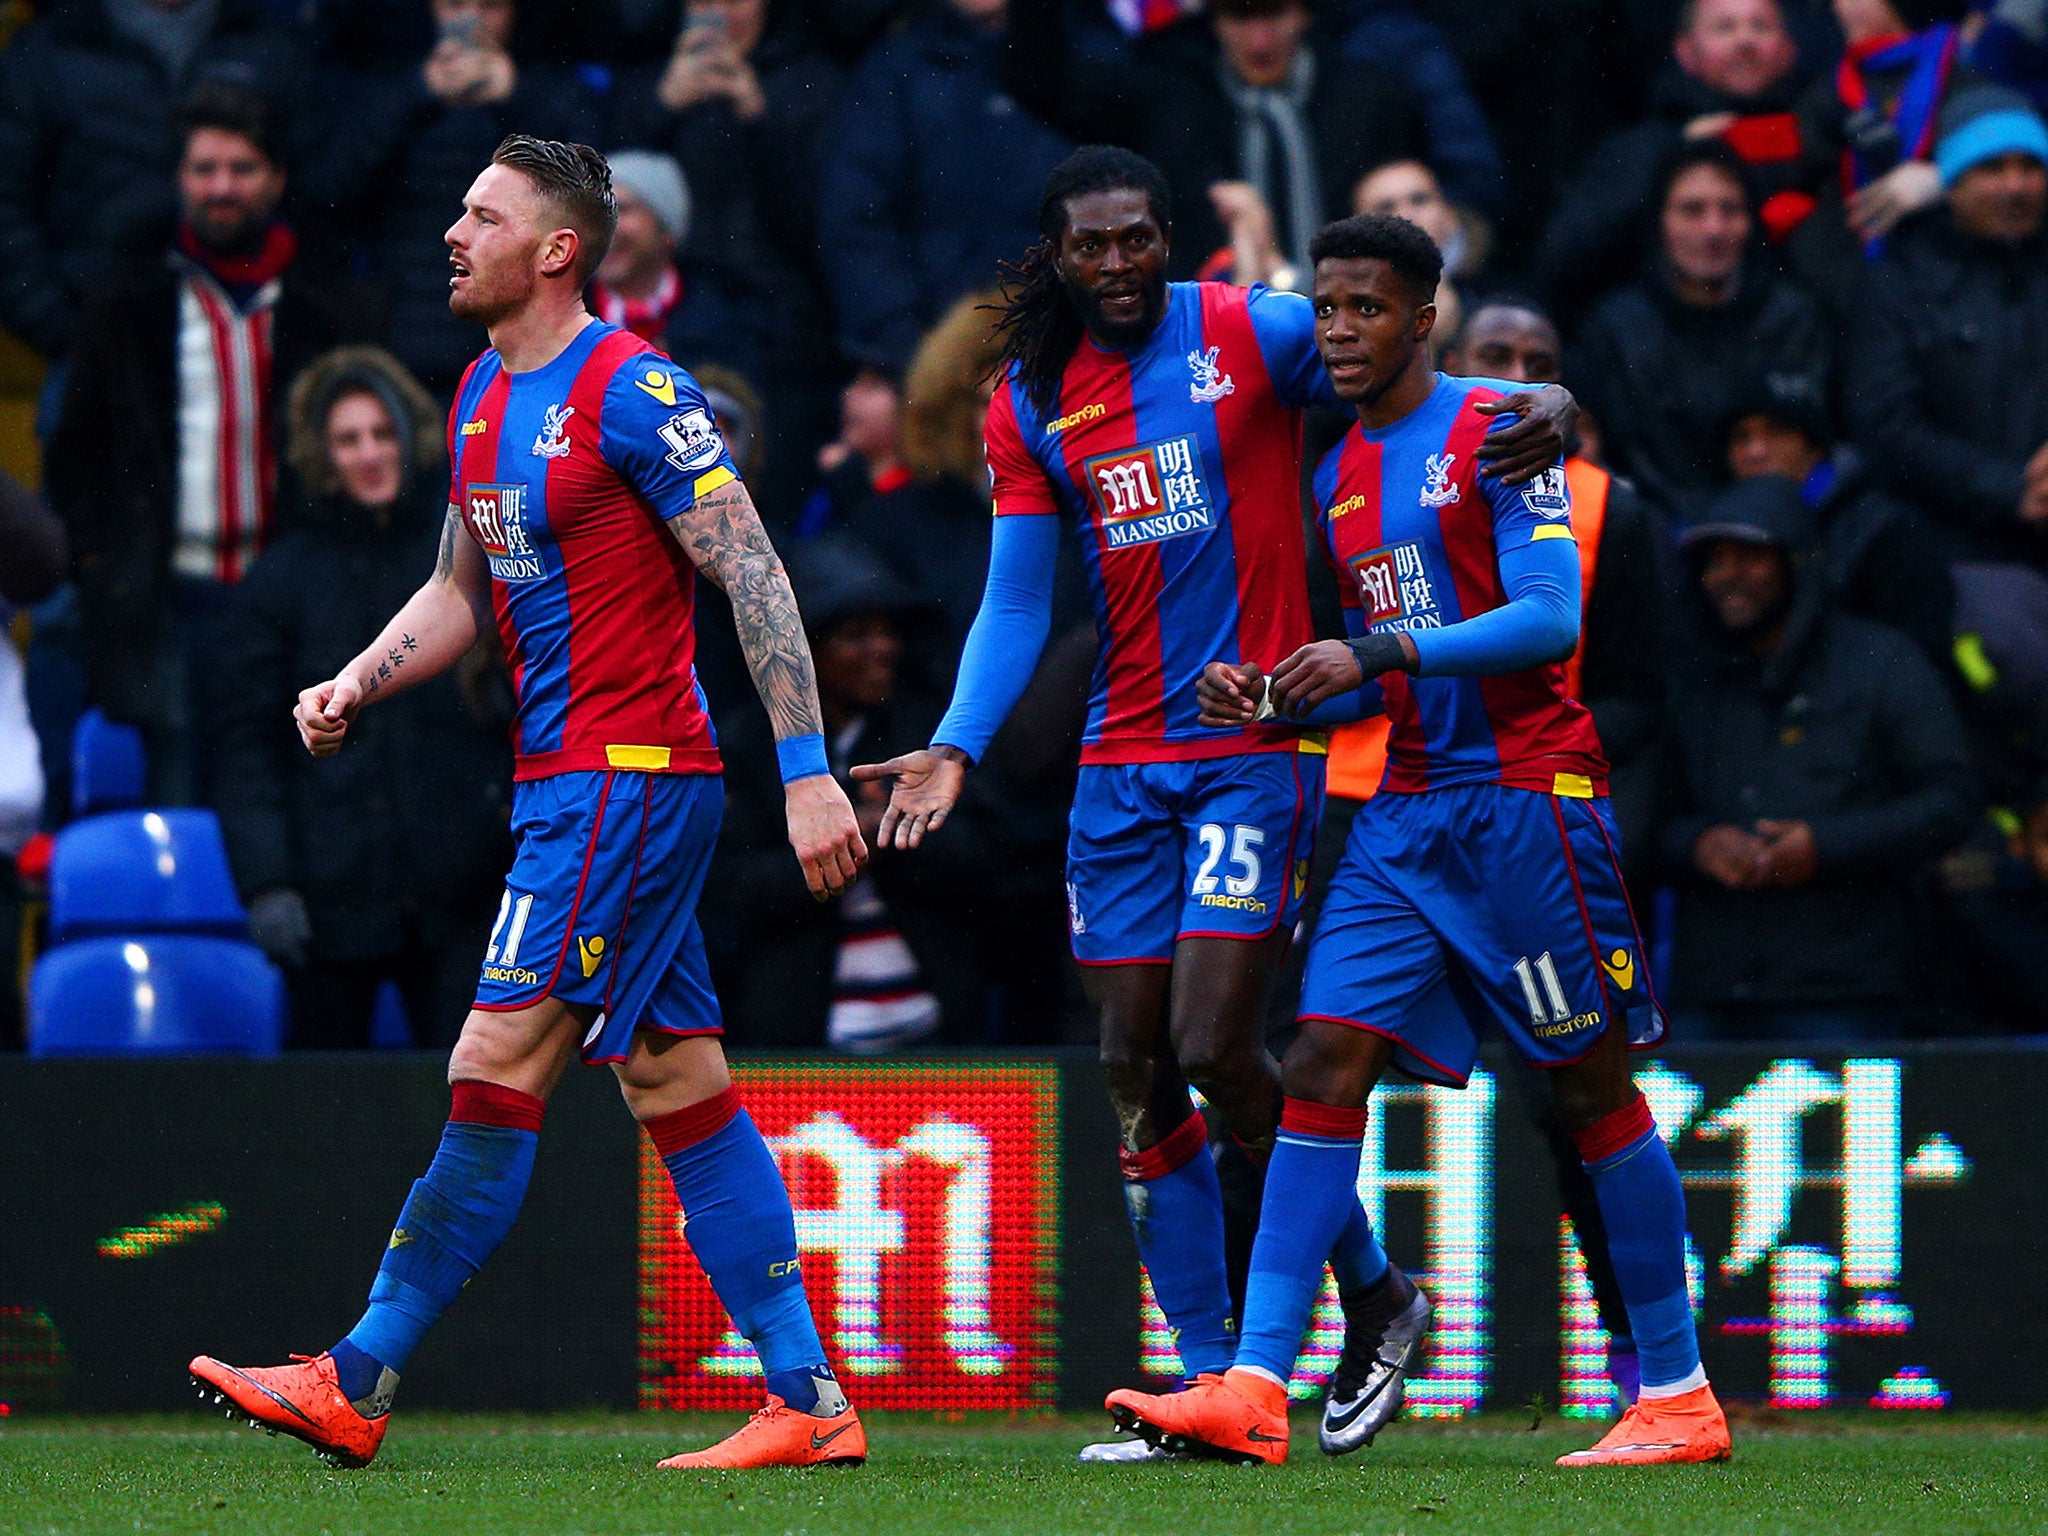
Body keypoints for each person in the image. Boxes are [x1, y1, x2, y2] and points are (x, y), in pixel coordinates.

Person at [853, 147, 1575, 1460]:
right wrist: (955, 743)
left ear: (1171, 240)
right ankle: (1244, 1361)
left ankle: (1349, 1307)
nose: (1119, 263)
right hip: (1118, 771)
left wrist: (1543, 400)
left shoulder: (1255, 330)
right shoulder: (1031, 401)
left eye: (1139, 239)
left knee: (1210, 1044)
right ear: (1058, 257)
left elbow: (1401, 356)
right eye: (1093, 245)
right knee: (1135, 1070)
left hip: (1252, 752)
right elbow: (1020, 601)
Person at [189, 135, 870, 1472]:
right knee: (678, 1082)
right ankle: (810, 1399)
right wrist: (353, 682)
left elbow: (757, 573)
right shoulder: (483, 392)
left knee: (490, 1063)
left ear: (558, 248)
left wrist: (806, 774)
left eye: (483, 214)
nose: (453, 231)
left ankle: (358, 1374)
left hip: (627, 781)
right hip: (569, 784)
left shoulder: (636, 389)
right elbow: (460, 590)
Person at [1107, 214, 1729, 1468]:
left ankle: (1676, 1394)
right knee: (1322, 1060)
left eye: (1366, 310)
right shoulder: (1335, 465)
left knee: (1590, 1092)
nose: (1338, 331)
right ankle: (1251, 1386)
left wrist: (1376, 651)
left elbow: (1549, 621)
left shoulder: (1501, 428)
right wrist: (1282, 692)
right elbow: (1376, 678)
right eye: (1325, 309)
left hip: (1524, 806)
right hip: (1400, 809)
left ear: (1422, 315)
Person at [44, 80, 374, 805]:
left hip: (289, 596)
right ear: (178, 179)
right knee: (181, 797)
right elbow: (76, 456)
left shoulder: (330, 308)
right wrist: (104, 559)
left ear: (278, 179)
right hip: (170, 598)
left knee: (302, 795)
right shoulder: (126, 304)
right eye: (204, 170)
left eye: (242, 170)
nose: (221, 188)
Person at [212, 347, 513, 1049]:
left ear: (411, 436)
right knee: (326, 1127)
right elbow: (245, 748)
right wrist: (266, 885)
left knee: (469, 1099)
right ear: (322, 454)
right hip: (328, 901)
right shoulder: (279, 584)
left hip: (462, 893)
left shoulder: (466, 560)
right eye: (349, 439)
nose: (370, 453)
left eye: (383, 433)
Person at [1658, 477, 1977, 1038]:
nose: (1728, 575)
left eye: (1749, 556)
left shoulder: (1881, 661)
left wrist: (1822, 847)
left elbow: (1952, 802)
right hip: (1708, 991)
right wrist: (1697, 844)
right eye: (1714, 560)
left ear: (1796, 562)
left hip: (1846, 991)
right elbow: (1637, 814)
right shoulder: (1689, 679)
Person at [1848, 86, 2048, 747]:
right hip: (1957, 545)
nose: (2015, 185)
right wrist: (2012, 490)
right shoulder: (1901, 281)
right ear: (1951, 185)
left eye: (2030, 166)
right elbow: (1884, 428)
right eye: (1992, 168)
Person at [1004, 0, 1449, 283]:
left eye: (1272, 13)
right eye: (1240, 15)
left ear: (1303, 14)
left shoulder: (1370, 96)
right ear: (1214, 20)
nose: (1259, 38)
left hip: (1352, 324)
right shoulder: (1168, 97)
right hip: (1216, 335)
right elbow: (1044, 84)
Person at [311, 0, 602, 393]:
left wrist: (516, 97)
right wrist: (418, 92)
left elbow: (588, 196)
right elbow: (330, 194)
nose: (471, 19)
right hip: (403, 333)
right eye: (455, 4)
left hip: (520, 331)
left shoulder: (551, 90)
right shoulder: (386, 85)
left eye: (490, 7)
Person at [0, 0, 305, 362]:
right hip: (93, 352)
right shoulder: (49, 50)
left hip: (255, 346)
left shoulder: (265, 43)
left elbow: (315, 191)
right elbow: (6, 209)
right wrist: (70, 336)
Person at [1568, 140, 1833, 517]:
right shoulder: (1615, 330)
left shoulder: (1795, 320)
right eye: (1692, 211)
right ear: (1659, 222)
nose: (1713, 229)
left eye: (1730, 210)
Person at [816, 0, 1072, 375]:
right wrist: (911, 357)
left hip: (1075, 353)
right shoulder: (893, 73)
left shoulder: (1092, 57)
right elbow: (856, 226)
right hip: (932, 364)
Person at [1538, 0, 1808, 319]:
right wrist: (1673, 158)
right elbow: (1563, 260)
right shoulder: (1642, 146)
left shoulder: (1824, 139)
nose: (1745, 41)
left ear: (1789, 49)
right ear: (1685, 51)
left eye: (1760, 26)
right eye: (1725, 27)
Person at [1724, 368, 1955, 671]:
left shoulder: (1881, 530)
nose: (1755, 451)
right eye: (1741, 437)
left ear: (1814, 447)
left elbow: (1922, 658)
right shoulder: (1720, 542)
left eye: (1778, 432)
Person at [585, 149, 768, 383]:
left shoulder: (727, 319)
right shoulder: (557, 317)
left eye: (623, 209)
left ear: (666, 232)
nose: (603, 228)